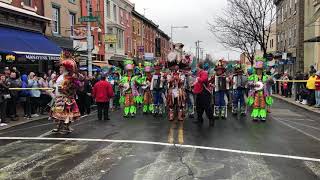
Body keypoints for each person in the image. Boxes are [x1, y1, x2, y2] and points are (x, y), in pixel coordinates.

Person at [51, 58, 81, 133]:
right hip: (59, 98)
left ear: (66, 68)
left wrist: (65, 89)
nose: (59, 68)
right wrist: (54, 89)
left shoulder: (70, 77)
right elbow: (56, 86)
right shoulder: (60, 76)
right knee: (59, 114)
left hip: (66, 98)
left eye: (61, 67)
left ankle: (67, 127)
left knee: (67, 114)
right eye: (60, 67)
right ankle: (59, 127)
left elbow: (73, 87)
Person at [247, 57, 274, 122]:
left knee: (262, 105)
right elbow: (248, 83)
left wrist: (270, 80)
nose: (259, 70)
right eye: (258, 69)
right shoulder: (253, 76)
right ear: (256, 70)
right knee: (255, 104)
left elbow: (272, 83)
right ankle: (255, 116)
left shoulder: (266, 77)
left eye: (260, 69)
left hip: (263, 93)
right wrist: (254, 84)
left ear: (262, 70)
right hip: (255, 93)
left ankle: (262, 116)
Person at [193, 62, 215, 127]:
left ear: (198, 66)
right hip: (199, 93)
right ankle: (199, 119)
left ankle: (211, 119)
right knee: (198, 107)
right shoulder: (198, 73)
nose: (196, 68)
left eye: (196, 66)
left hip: (204, 92)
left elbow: (204, 79)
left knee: (207, 107)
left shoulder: (204, 73)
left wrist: (198, 79)